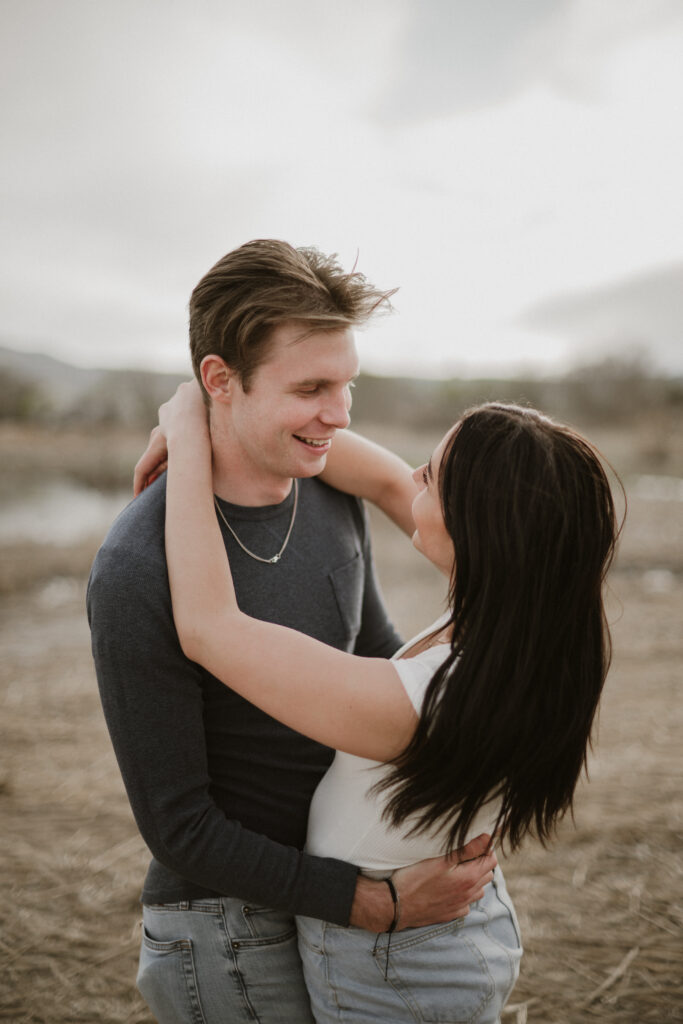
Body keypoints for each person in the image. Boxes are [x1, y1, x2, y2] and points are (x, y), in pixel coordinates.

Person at [87, 239, 497, 1024]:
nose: (338, 416)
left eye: (345, 386)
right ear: (220, 381)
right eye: (310, 387)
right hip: (226, 931)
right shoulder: (137, 566)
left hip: (336, 900)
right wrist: (371, 902)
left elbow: (372, 654)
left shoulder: (325, 488)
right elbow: (180, 827)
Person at [136, 381, 619, 1024]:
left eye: (431, 476)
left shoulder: (417, 706)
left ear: (480, 529)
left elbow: (207, 627)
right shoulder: (530, 626)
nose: (408, 475)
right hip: (444, 944)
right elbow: (371, 474)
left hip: (398, 974)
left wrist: (191, 434)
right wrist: (235, 416)